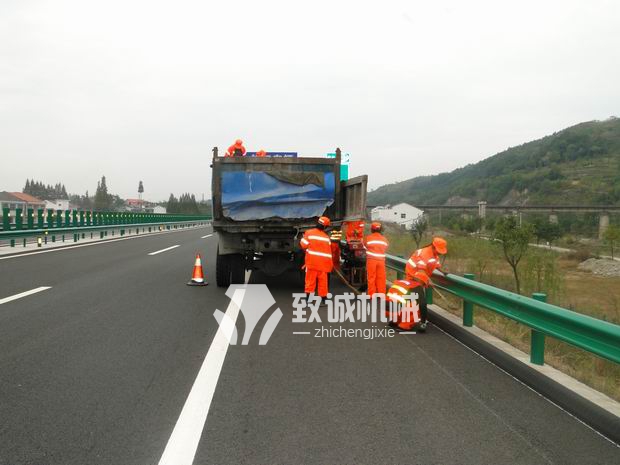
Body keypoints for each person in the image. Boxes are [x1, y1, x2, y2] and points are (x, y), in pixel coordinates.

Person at [300, 216, 333, 301]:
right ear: (325, 227)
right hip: (324, 265)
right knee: (323, 282)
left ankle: (309, 299)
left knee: (310, 281)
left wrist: (302, 238)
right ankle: (324, 299)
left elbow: (303, 245)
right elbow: (329, 251)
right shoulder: (326, 238)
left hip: (312, 263)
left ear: (318, 223)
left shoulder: (309, 233)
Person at [364, 222, 389, 296]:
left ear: (372, 229)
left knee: (371, 278)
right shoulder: (384, 239)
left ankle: (372, 294)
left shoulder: (368, 238)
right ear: (380, 229)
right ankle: (381, 294)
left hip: (371, 260)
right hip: (381, 261)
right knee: (381, 278)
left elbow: (365, 246)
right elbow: (386, 246)